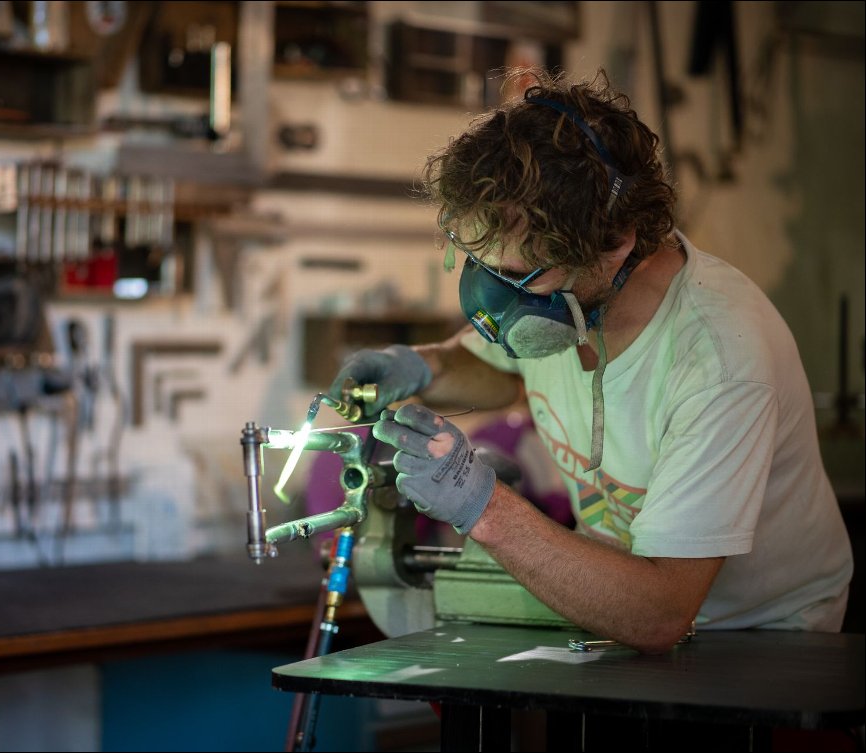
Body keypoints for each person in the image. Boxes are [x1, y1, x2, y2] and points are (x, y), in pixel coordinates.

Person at [329, 68, 853, 654]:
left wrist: (481, 505)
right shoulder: (562, 308)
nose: (490, 299)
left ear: (616, 245)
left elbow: (660, 614)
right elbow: (496, 366)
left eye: (515, 276)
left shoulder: (720, 362)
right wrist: (419, 368)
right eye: (476, 261)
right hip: (619, 615)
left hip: (758, 643)